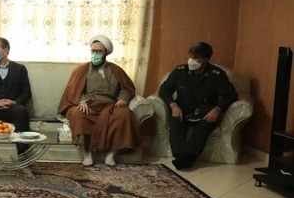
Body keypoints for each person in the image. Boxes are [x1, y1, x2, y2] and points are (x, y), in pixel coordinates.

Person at [57, 34, 140, 167]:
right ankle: (87, 154)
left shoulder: (116, 70)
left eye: (99, 51)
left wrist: (122, 99)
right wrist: (81, 101)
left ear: (106, 52)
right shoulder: (82, 69)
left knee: (124, 114)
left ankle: (111, 155)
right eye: (93, 51)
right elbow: (73, 90)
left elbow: (127, 88)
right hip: (89, 104)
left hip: (110, 105)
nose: (95, 54)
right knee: (78, 114)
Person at [158, 41, 238, 170]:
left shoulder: (217, 75)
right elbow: (164, 90)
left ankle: (185, 159)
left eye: (196, 58)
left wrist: (217, 110)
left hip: (205, 111)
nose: (191, 60)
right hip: (182, 109)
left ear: (206, 60)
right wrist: (173, 105)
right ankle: (182, 156)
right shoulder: (180, 71)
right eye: (190, 56)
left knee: (204, 126)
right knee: (175, 121)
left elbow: (230, 95)